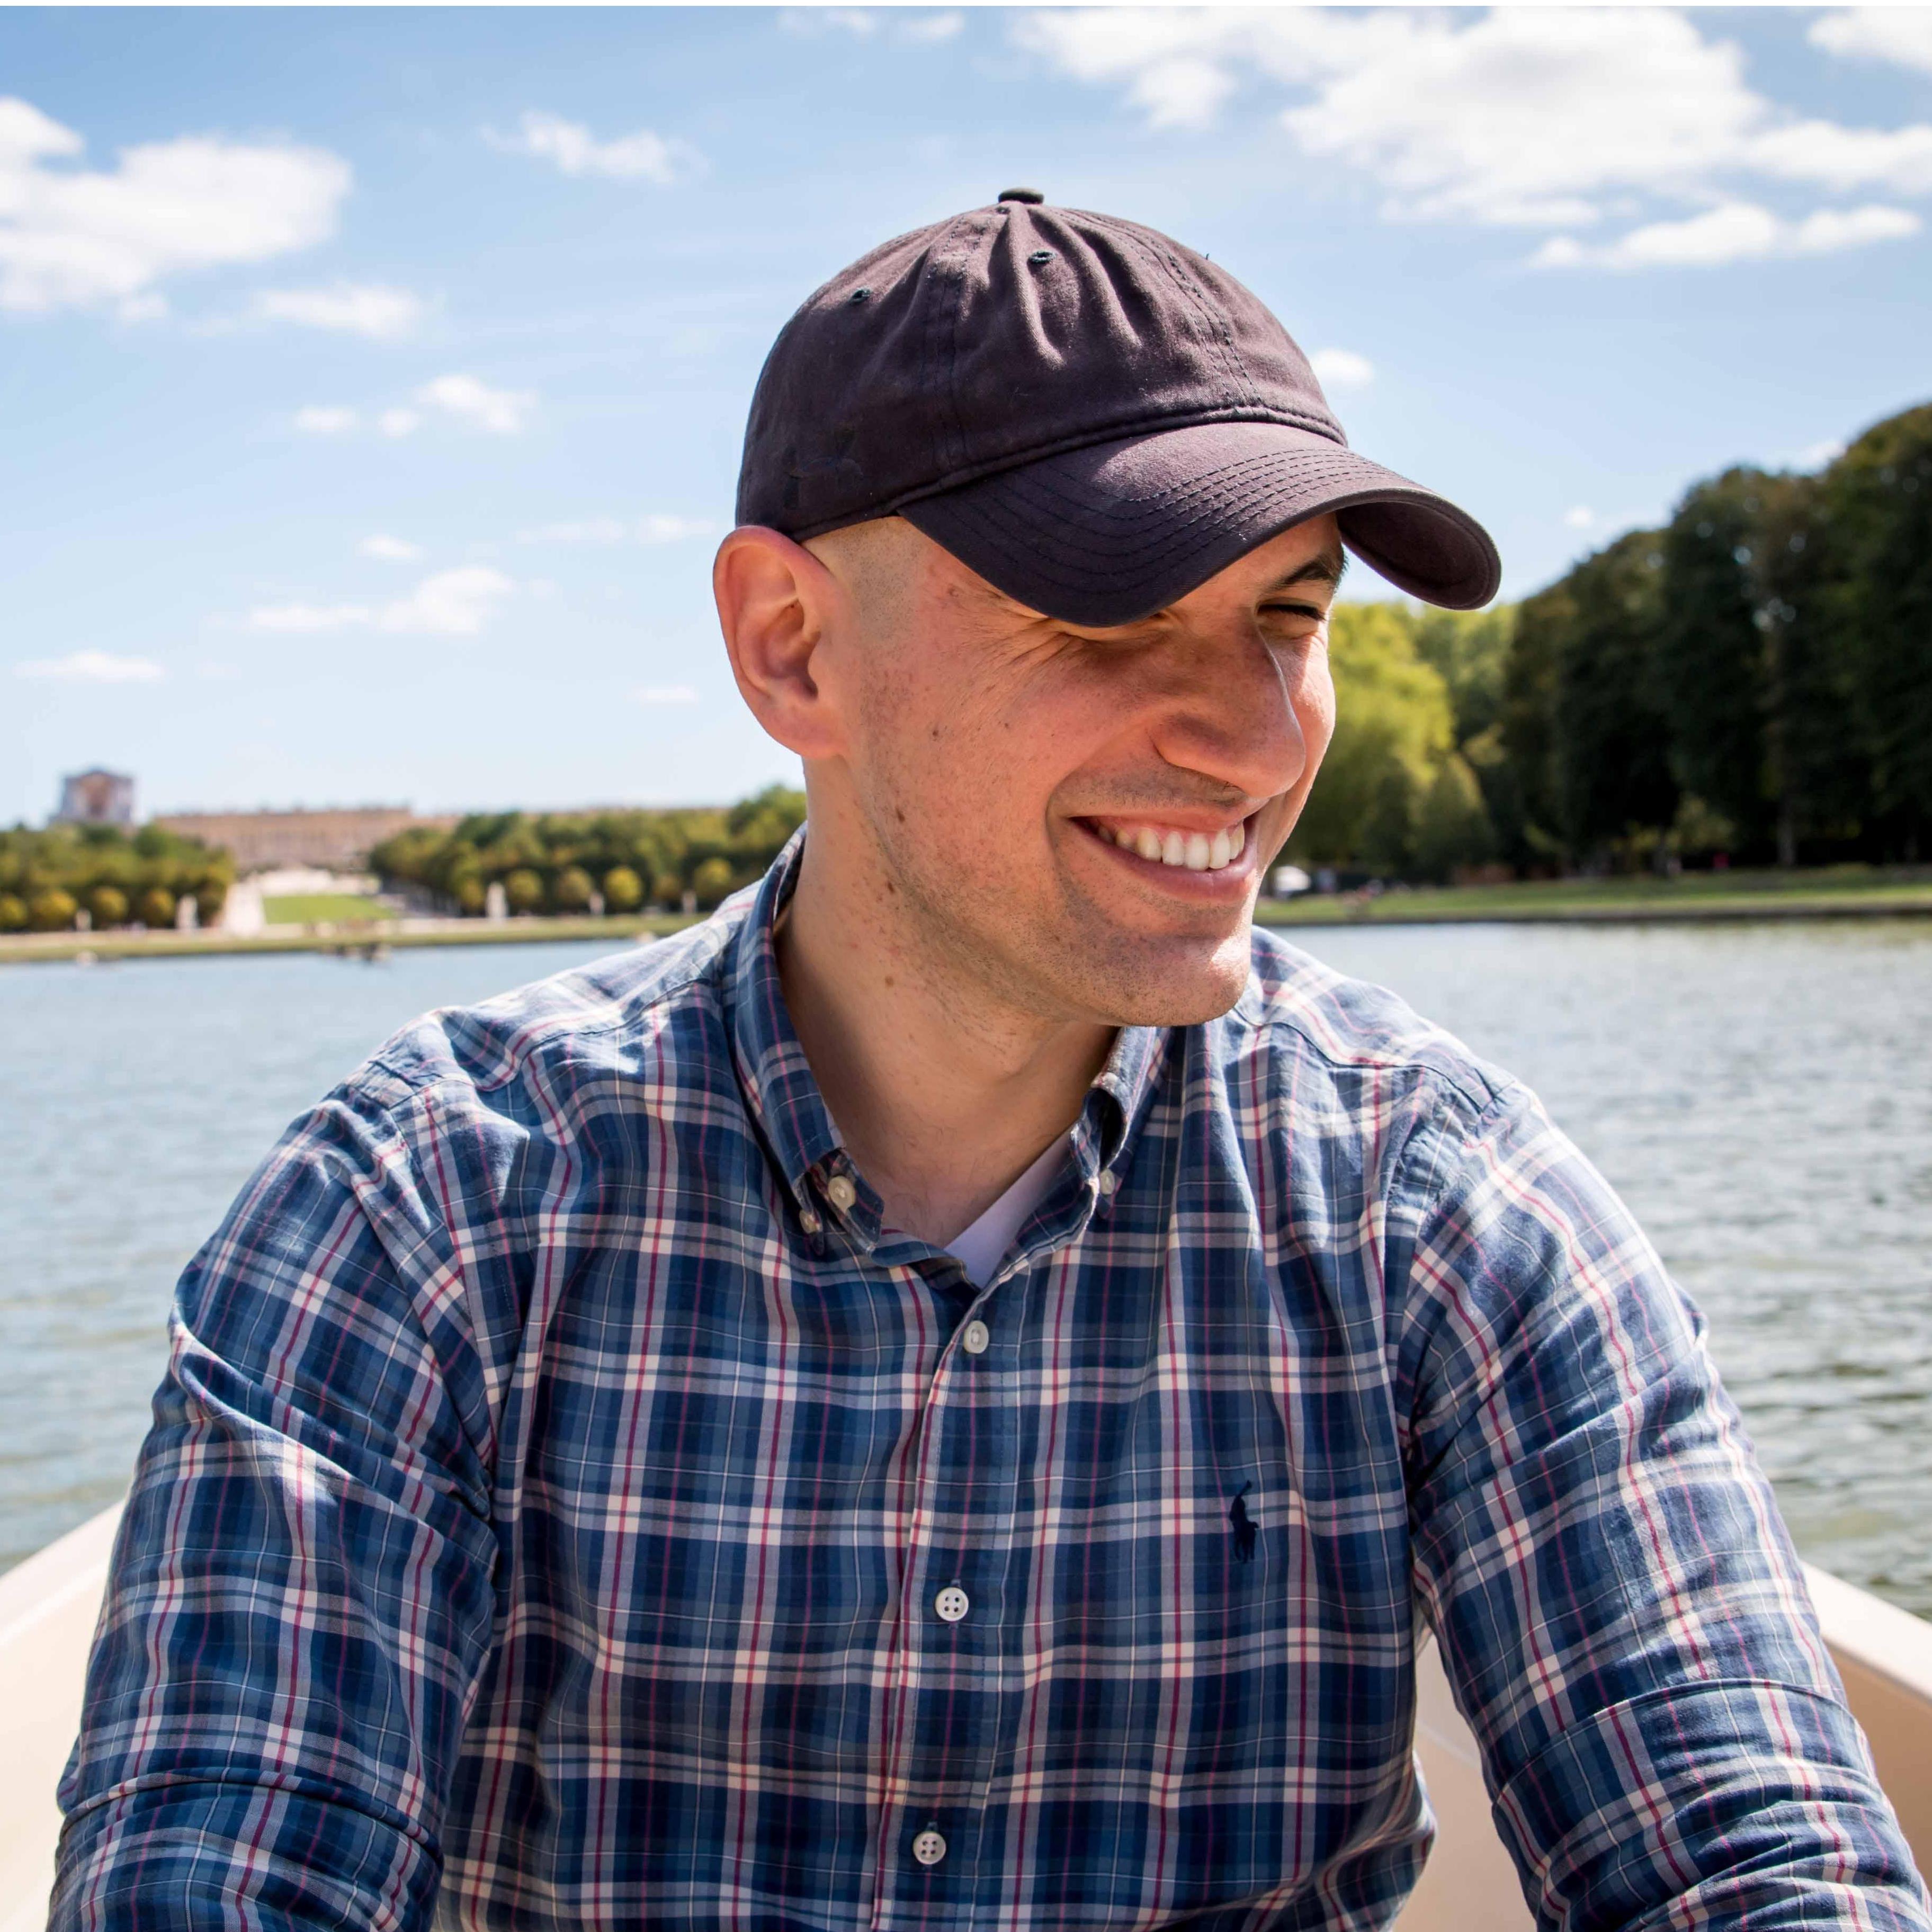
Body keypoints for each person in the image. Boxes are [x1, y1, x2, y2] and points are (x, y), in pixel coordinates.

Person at [52, 194, 1926, 1932]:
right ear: (792, 649)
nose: (1256, 742)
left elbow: (1749, 1851)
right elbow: (230, 1860)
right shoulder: (425, 1211)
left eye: (1292, 618)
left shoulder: (1437, 1206)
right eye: (1113, 617)